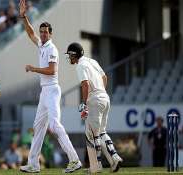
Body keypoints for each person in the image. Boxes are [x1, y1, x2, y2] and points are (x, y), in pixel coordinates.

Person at [18, 0, 81, 173]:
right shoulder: (41, 44)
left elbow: (52, 70)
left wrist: (33, 68)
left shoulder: (52, 49)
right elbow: (31, 33)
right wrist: (24, 16)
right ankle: (33, 164)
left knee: (54, 126)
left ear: (51, 34)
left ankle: (74, 160)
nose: (43, 34)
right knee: (38, 127)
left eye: (46, 32)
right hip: (45, 92)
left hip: (52, 90)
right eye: (42, 32)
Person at [65, 42, 123, 173]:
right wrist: (100, 92)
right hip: (105, 97)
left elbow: (85, 84)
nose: (69, 58)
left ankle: (98, 165)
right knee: (101, 132)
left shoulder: (80, 65)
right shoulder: (92, 61)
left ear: (74, 55)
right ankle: (113, 160)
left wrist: (84, 103)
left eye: (70, 55)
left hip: (94, 99)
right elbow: (104, 77)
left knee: (92, 135)